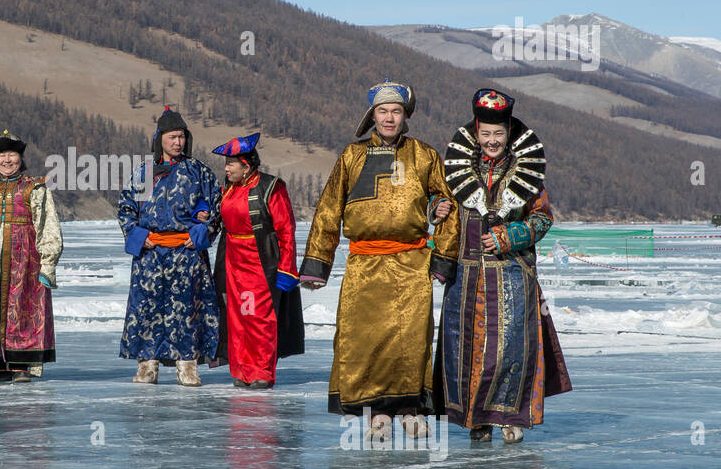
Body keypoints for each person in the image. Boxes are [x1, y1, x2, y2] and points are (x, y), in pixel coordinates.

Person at [300, 81, 457, 440]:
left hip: (412, 261)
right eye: (383, 111)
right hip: (364, 264)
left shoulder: (425, 155)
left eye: (396, 111)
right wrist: (317, 263)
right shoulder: (352, 156)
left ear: (406, 116)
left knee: (412, 338)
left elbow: (448, 204)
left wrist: (442, 255)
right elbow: (328, 210)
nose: (389, 118)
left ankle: (409, 408)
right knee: (363, 339)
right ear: (372, 116)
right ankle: (375, 413)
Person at [433, 89, 572, 442]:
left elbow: (542, 219)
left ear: (509, 132)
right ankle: (475, 418)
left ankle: (510, 417)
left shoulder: (528, 173)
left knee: (510, 350)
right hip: (466, 276)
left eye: (499, 134)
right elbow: (436, 202)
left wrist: (509, 236)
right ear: (475, 133)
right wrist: (435, 207)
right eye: (486, 134)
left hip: (512, 272)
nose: (492, 141)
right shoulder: (457, 171)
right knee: (466, 351)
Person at [118, 106, 221, 386]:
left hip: (186, 253)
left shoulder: (198, 172)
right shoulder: (146, 174)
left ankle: (187, 366)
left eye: (182, 137)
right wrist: (140, 237)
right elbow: (127, 209)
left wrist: (201, 234)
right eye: (173, 137)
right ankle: (147, 366)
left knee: (186, 311)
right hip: (150, 254)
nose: (178, 142)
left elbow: (215, 208)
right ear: (160, 138)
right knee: (147, 309)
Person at [0, 130, 63, 383]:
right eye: (2, 155)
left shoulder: (35, 188)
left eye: (12, 155)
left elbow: (47, 226)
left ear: (20, 157)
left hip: (25, 260)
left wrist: (48, 263)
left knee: (23, 308)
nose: (7, 160)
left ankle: (20, 364)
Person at [211, 133, 304, 389]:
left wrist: (287, 268)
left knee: (260, 317)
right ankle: (240, 371)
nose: (227, 168)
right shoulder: (228, 188)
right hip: (232, 260)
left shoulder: (271, 186)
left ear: (247, 165)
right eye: (227, 163)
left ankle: (261, 371)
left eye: (231, 163)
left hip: (260, 260)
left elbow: (285, 229)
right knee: (237, 316)